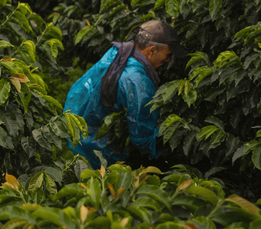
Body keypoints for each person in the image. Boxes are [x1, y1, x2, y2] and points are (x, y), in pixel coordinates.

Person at [63, 20, 185, 167]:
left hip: (75, 126)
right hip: (95, 148)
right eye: (168, 54)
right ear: (152, 50)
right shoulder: (137, 81)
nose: (168, 60)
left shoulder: (119, 53)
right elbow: (143, 137)